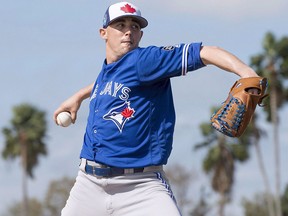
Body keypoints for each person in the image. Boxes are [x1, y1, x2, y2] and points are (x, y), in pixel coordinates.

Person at [53, 2, 259, 216]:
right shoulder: (109, 69)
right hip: (88, 184)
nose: (128, 31)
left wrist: (247, 73)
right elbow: (109, 83)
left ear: (140, 35)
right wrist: (79, 96)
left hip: (141, 186)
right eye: (120, 25)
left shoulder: (146, 60)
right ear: (103, 33)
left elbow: (205, 52)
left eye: (134, 26)